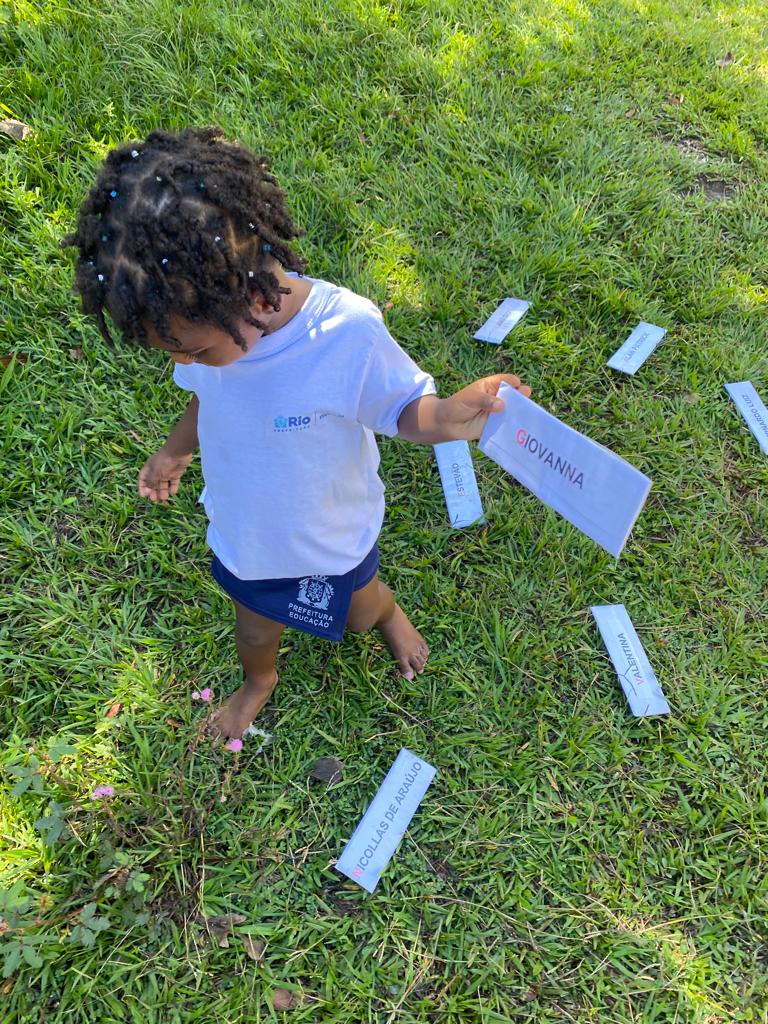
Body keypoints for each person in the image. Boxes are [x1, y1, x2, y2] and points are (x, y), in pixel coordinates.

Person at [63, 126, 531, 745]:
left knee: (360, 610)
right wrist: (176, 449)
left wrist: (444, 418)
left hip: (330, 535)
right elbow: (208, 398)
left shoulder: (344, 334)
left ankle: (388, 614)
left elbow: (400, 410)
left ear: (240, 292)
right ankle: (260, 682)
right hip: (247, 539)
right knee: (255, 631)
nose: (186, 363)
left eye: (192, 350)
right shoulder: (208, 338)